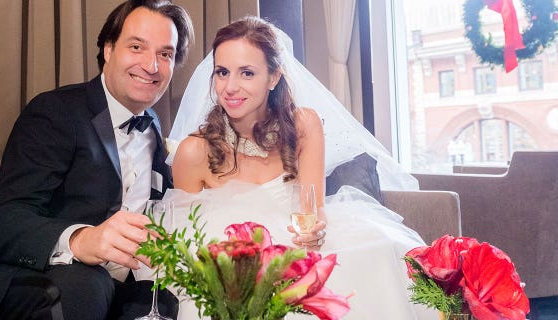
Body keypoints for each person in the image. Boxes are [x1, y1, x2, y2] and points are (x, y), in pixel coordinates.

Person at [163, 16, 439, 319]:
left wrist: (315, 231)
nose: (230, 87)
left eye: (247, 73)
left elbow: (312, 209)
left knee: (385, 249)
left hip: (301, 248)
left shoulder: (304, 125)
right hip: (239, 272)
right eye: (222, 72)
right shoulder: (194, 152)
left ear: (273, 77)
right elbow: (185, 241)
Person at [0, 1, 193, 319]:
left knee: (167, 301)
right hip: (28, 282)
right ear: (108, 48)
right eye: (136, 46)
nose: (151, 65)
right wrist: (81, 239)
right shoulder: (55, 113)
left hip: (112, 286)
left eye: (165, 54)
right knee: (87, 285)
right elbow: (2, 222)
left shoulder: (152, 127)